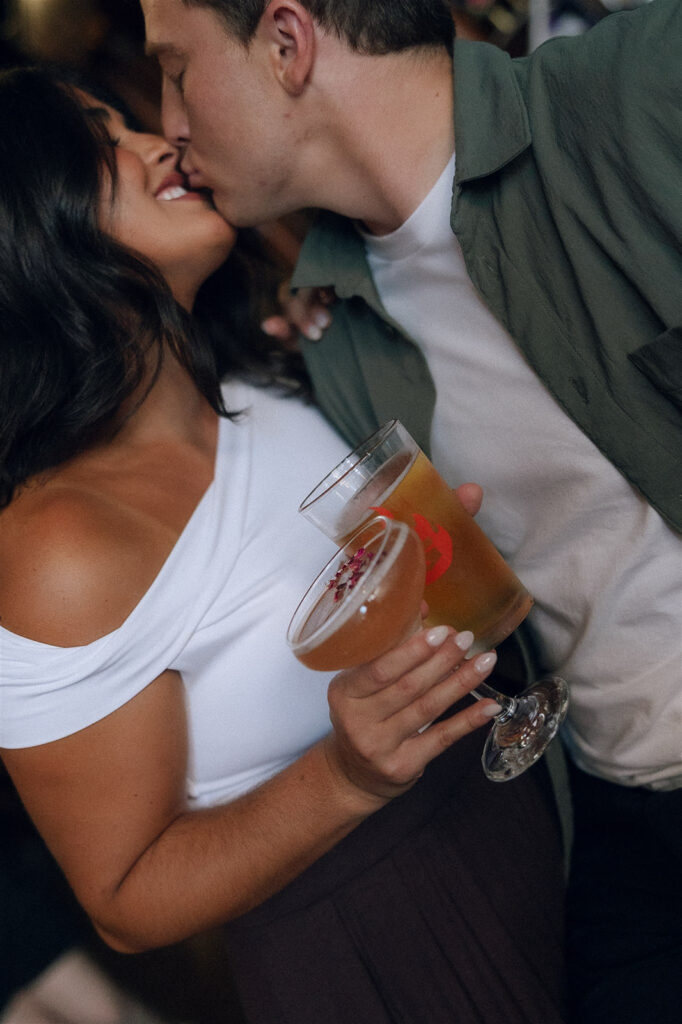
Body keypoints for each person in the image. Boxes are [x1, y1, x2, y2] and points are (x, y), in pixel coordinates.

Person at [138, 0, 682, 1021]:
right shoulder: (336, 333)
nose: (169, 119)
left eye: (175, 67)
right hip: (614, 814)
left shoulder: (633, 92)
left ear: (288, 42)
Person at [0, 65, 567, 1024]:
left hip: (534, 809)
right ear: (29, 241)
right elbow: (125, 899)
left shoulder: (261, 376)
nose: (156, 142)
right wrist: (344, 777)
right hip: (394, 933)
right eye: (102, 147)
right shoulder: (58, 549)